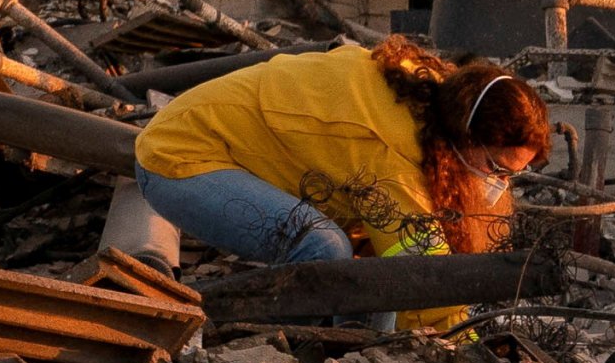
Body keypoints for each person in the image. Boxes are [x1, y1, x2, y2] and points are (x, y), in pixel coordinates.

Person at [134, 37, 550, 270]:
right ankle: (292, 361)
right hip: (180, 157)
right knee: (325, 248)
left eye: (513, 173)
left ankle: (353, 344)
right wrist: (466, 335)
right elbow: (420, 274)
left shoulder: (440, 95)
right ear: (467, 137)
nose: (499, 183)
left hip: (220, 140)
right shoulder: (387, 146)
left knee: (371, 244)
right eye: (497, 168)